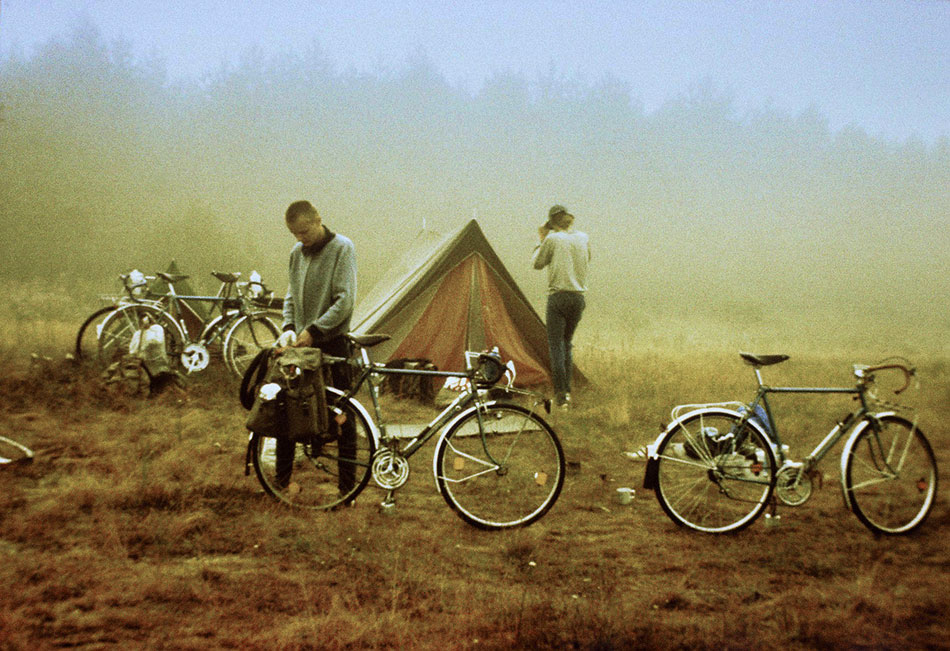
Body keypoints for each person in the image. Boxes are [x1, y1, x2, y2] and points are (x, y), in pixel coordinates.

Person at [275, 200, 358, 500]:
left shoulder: (342, 248)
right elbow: (290, 294)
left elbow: (345, 300)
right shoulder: (296, 254)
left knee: (343, 415)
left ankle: (347, 489)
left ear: (319, 220)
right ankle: (282, 482)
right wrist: (288, 326)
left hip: (331, 342)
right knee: (289, 408)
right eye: (295, 234)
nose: (301, 239)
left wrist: (315, 330)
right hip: (301, 347)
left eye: (305, 232)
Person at [532, 205, 590, 408]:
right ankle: (568, 392)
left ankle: (562, 395)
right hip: (579, 297)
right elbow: (587, 259)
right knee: (567, 343)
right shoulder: (583, 237)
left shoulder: (553, 239)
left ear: (552, 223)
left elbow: (537, 263)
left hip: (558, 297)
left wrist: (541, 238)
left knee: (556, 345)